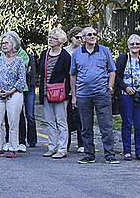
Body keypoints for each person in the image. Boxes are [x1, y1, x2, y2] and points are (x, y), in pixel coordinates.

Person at [70, 27, 118, 164]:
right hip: (83, 94)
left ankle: (109, 154)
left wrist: (109, 87)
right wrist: (74, 96)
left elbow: (112, 71)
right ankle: (89, 154)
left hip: (101, 93)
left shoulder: (104, 51)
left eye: (94, 34)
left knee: (106, 125)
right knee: (86, 126)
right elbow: (72, 75)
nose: (92, 36)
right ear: (83, 38)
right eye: (89, 35)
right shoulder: (76, 54)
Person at [115, 34, 140, 161]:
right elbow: (116, 76)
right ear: (128, 45)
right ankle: (127, 151)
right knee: (127, 123)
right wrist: (125, 87)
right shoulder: (123, 58)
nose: (135, 46)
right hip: (126, 95)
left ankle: (139, 151)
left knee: (139, 124)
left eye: (137, 44)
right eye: (132, 44)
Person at [0, 32, 26, 158]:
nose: (4, 45)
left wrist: (11, 91)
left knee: (13, 121)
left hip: (14, 94)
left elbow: (21, 80)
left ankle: (12, 148)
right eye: (2, 43)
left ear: (13, 44)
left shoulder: (19, 60)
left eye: (7, 43)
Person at [39, 28, 71, 159]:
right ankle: (51, 147)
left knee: (61, 121)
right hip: (47, 92)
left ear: (60, 41)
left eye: (53, 38)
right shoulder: (44, 54)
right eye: (49, 37)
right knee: (49, 121)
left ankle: (62, 148)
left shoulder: (65, 56)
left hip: (60, 93)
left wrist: (70, 94)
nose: (50, 39)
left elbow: (69, 75)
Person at [12, 37, 37, 152]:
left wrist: (22, 73)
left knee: (30, 115)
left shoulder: (29, 57)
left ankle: (32, 139)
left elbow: (31, 73)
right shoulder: (6, 57)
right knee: (19, 114)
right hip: (18, 88)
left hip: (29, 88)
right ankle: (19, 139)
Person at [65, 27, 84, 153]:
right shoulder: (65, 52)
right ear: (71, 37)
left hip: (80, 88)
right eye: (77, 37)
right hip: (66, 88)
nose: (79, 40)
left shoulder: (83, 51)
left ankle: (81, 144)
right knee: (66, 117)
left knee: (80, 117)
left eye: (81, 38)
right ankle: (65, 144)